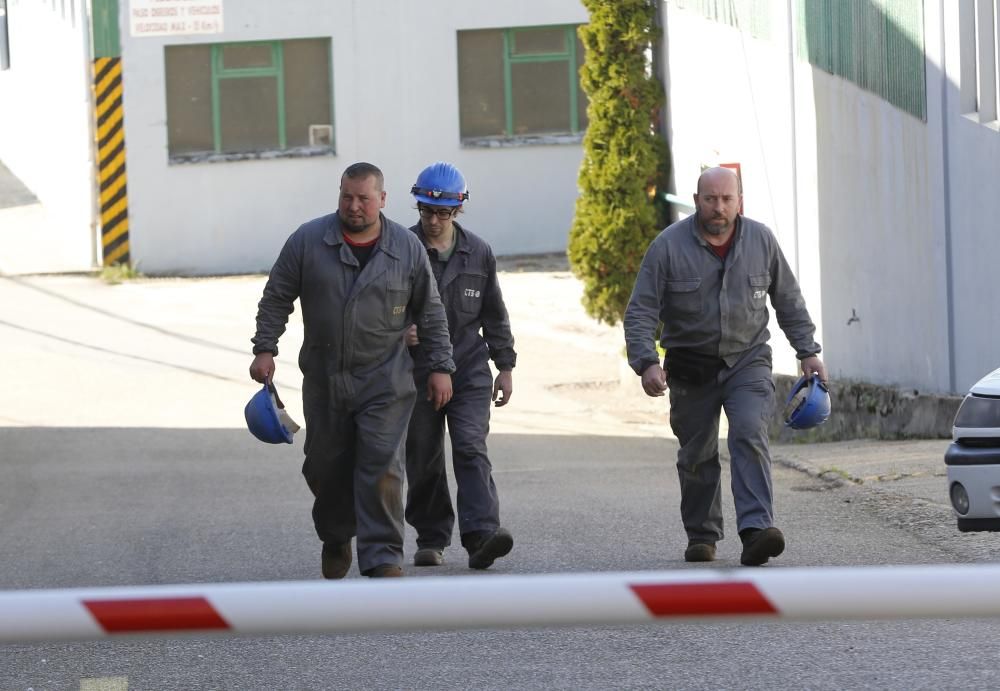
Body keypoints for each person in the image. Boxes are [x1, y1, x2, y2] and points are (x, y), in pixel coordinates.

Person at [249, 162, 455, 579]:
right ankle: (337, 534)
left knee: (382, 464)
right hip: (325, 379)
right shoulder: (309, 241)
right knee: (324, 465)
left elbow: (430, 313)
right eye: (347, 196)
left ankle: (382, 556)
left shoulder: (406, 249)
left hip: (385, 378)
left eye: (363, 198)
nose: (354, 206)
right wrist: (265, 348)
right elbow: (276, 297)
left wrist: (440, 367)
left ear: (382, 199)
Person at [623, 166, 828, 567]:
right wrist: (646, 362)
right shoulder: (667, 247)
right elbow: (641, 311)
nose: (719, 208)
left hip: (747, 361)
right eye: (710, 199)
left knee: (750, 433)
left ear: (739, 201)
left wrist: (808, 351)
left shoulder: (761, 241)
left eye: (726, 199)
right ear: (697, 200)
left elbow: (788, 300)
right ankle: (702, 534)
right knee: (697, 454)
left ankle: (756, 530)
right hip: (690, 367)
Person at [402, 161, 517, 570]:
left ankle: (483, 535)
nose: (434, 221)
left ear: (458, 211)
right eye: (427, 212)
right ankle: (431, 538)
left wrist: (504, 365)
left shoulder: (479, 253)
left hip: (468, 367)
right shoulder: (400, 250)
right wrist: (402, 333)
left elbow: (495, 313)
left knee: (470, 446)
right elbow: (378, 308)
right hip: (415, 373)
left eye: (443, 213)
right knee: (423, 455)